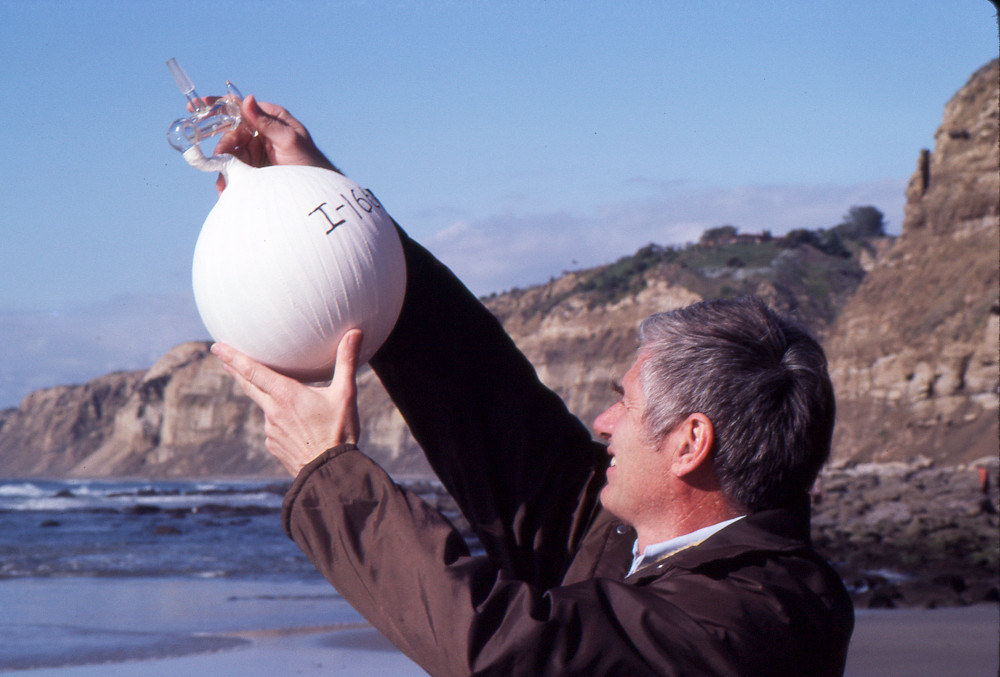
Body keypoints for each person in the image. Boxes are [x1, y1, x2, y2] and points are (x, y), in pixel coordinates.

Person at [210, 96, 854, 676]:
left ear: (690, 443)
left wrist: (329, 467)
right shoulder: (626, 538)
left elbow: (505, 650)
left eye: (626, 403)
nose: (603, 421)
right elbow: (483, 398)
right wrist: (336, 215)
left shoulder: (756, 619)